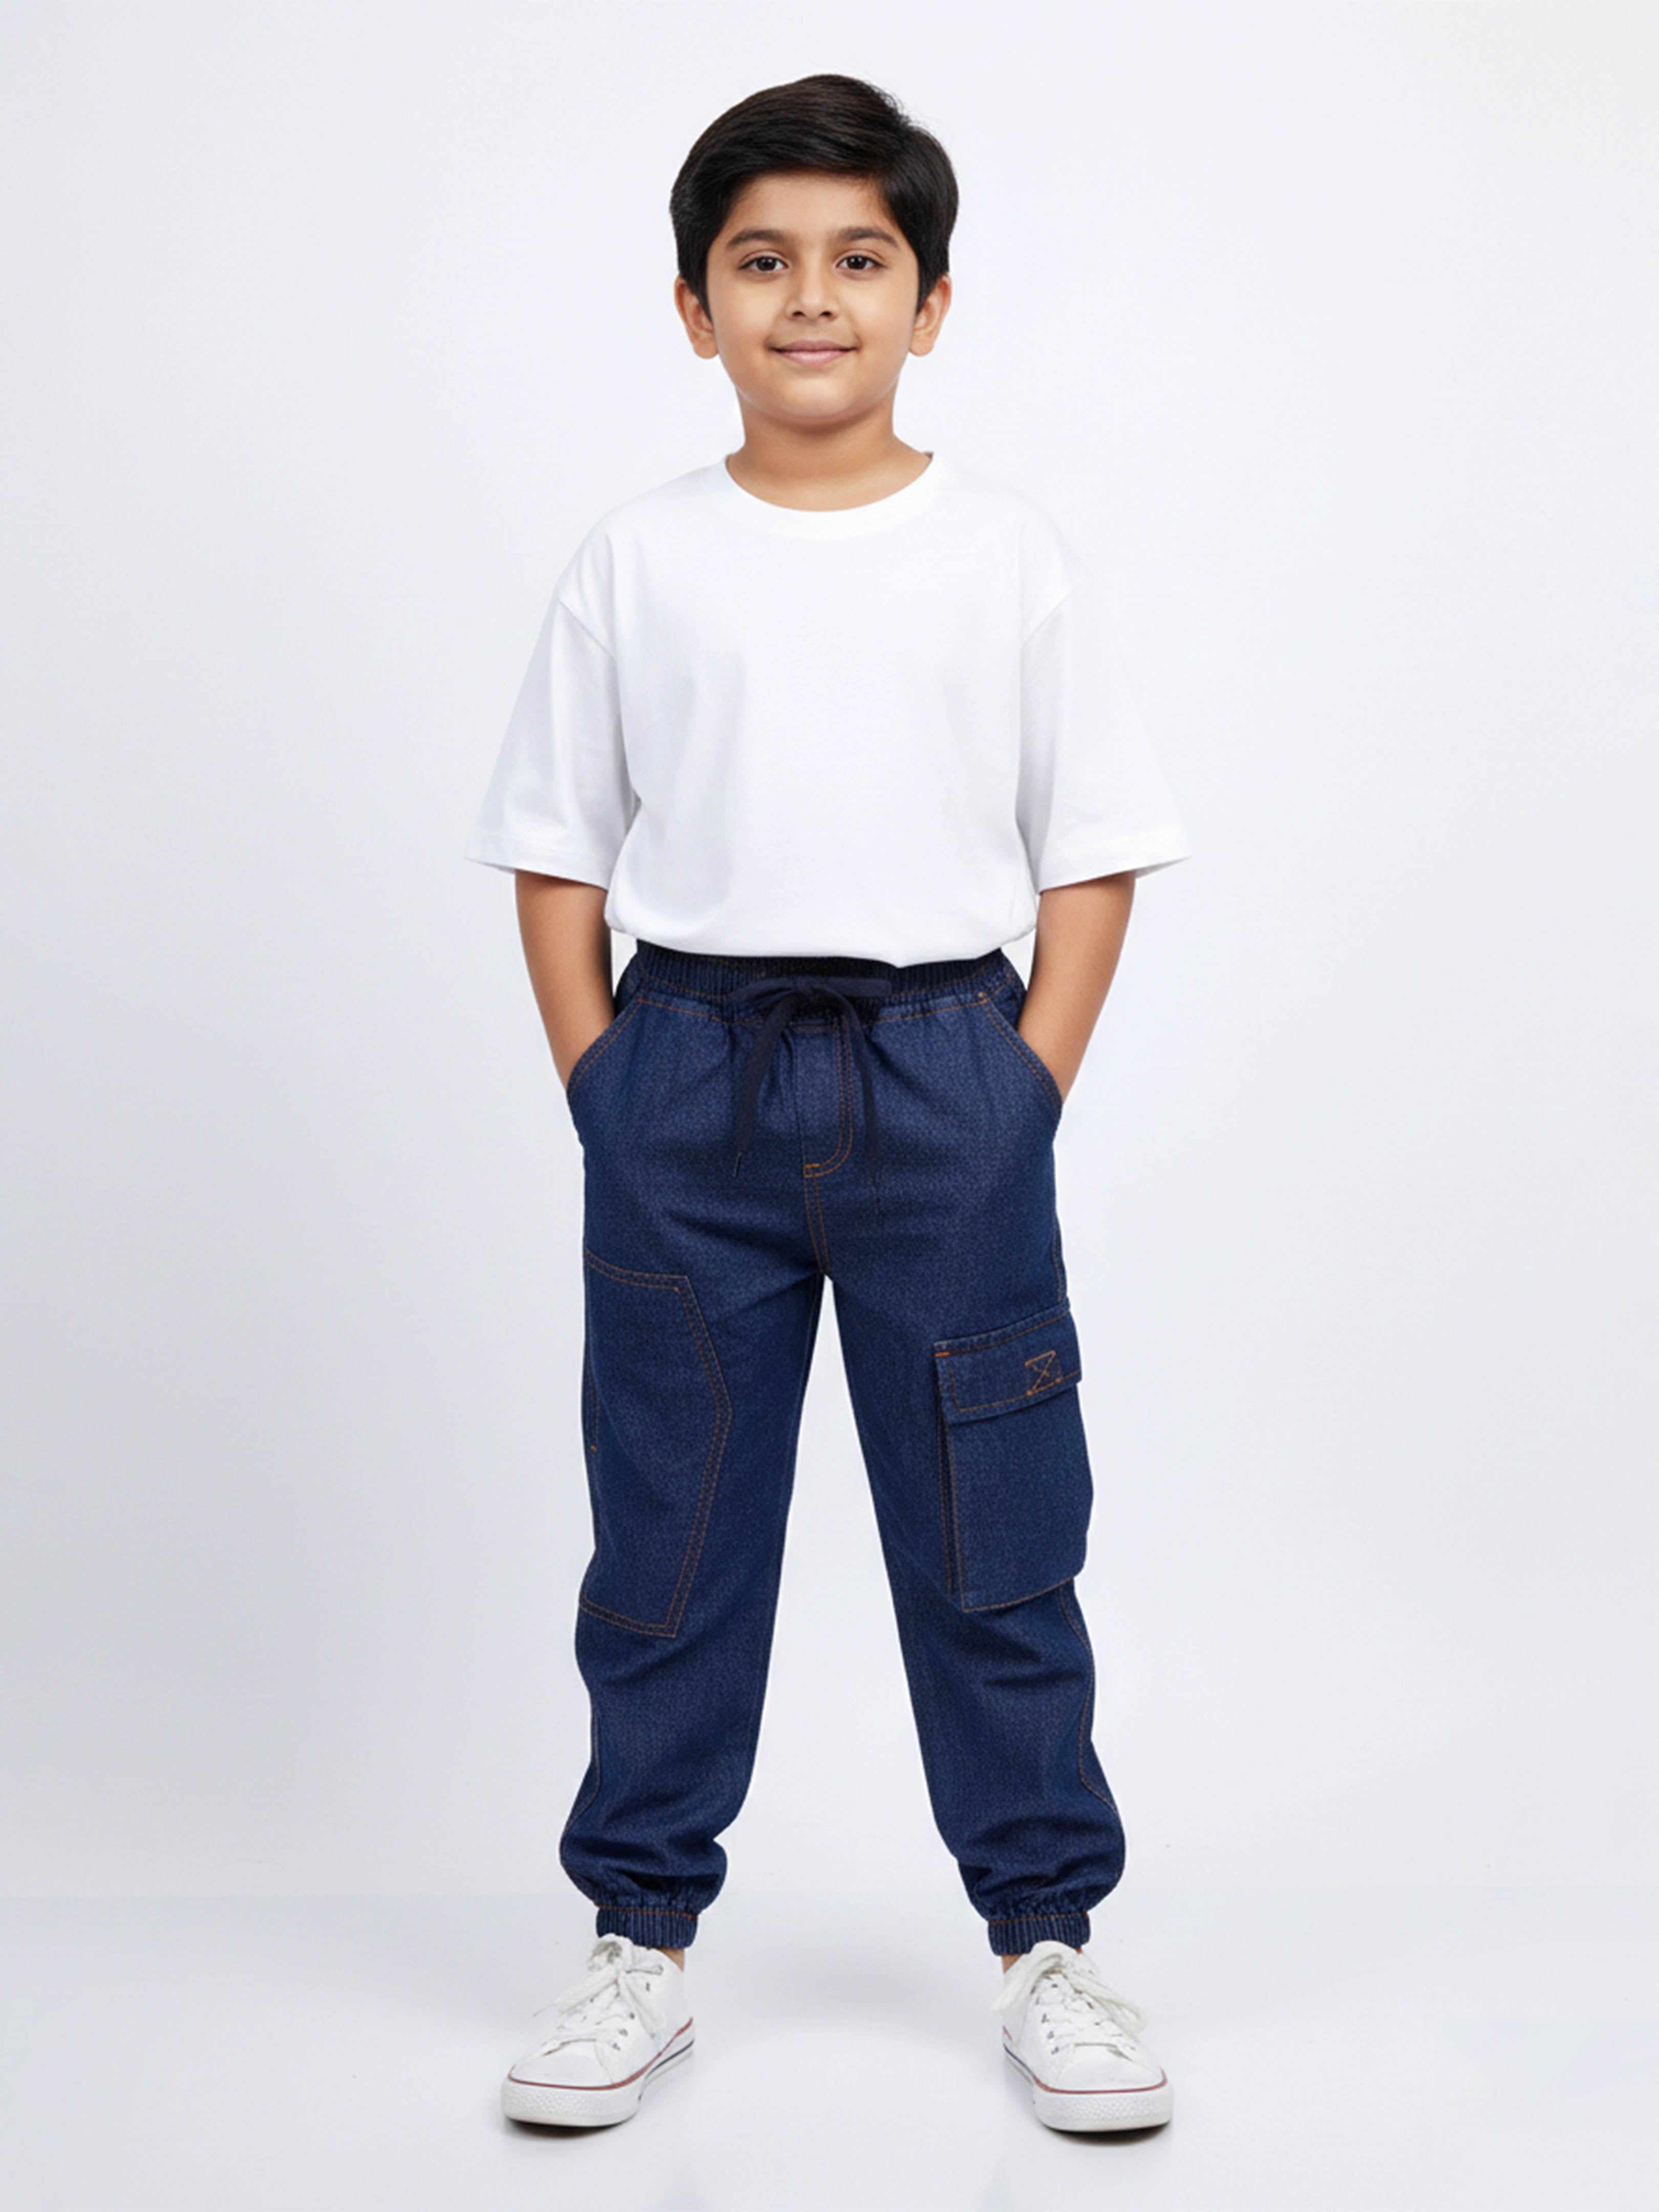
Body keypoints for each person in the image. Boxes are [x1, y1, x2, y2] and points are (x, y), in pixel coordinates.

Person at [464, 71, 1190, 2136]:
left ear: (929, 303)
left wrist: (1020, 1095)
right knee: (670, 1536)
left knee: (994, 1532)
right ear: (694, 307)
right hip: (686, 1075)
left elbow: (1092, 852)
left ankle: (1047, 1940)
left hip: (945, 1069)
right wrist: (607, 1088)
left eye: (859, 260)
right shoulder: (638, 558)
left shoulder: (1005, 555)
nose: (811, 298)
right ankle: (639, 1940)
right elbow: (556, 851)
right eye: (762, 261)